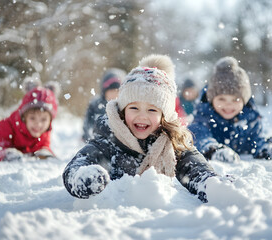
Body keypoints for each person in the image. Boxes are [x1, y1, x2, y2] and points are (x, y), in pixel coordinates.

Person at [63, 54, 223, 203]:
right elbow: (79, 164)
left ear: (163, 116)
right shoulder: (110, 139)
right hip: (115, 219)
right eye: (134, 108)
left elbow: (194, 167)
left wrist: (211, 185)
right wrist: (82, 178)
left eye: (152, 110)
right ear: (122, 109)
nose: (142, 116)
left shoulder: (171, 142)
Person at [188, 56, 272, 162]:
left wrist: (264, 149)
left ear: (244, 101)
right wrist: (211, 148)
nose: (228, 105)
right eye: (222, 99)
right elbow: (198, 135)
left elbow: (256, 139)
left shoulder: (250, 117)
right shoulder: (204, 115)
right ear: (211, 99)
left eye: (235, 99)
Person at [0, 79, 59, 162]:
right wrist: (7, 153)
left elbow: (43, 146)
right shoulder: (9, 124)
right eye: (32, 118)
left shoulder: (45, 132)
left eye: (43, 119)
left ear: (50, 120)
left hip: (15, 151)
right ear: (24, 117)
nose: (38, 124)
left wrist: (44, 153)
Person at [82, 68, 126, 142]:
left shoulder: (123, 106)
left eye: (116, 91)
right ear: (104, 91)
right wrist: (89, 136)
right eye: (111, 91)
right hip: (97, 139)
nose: (114, 94)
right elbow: (88, 123)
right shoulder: (96, 104)